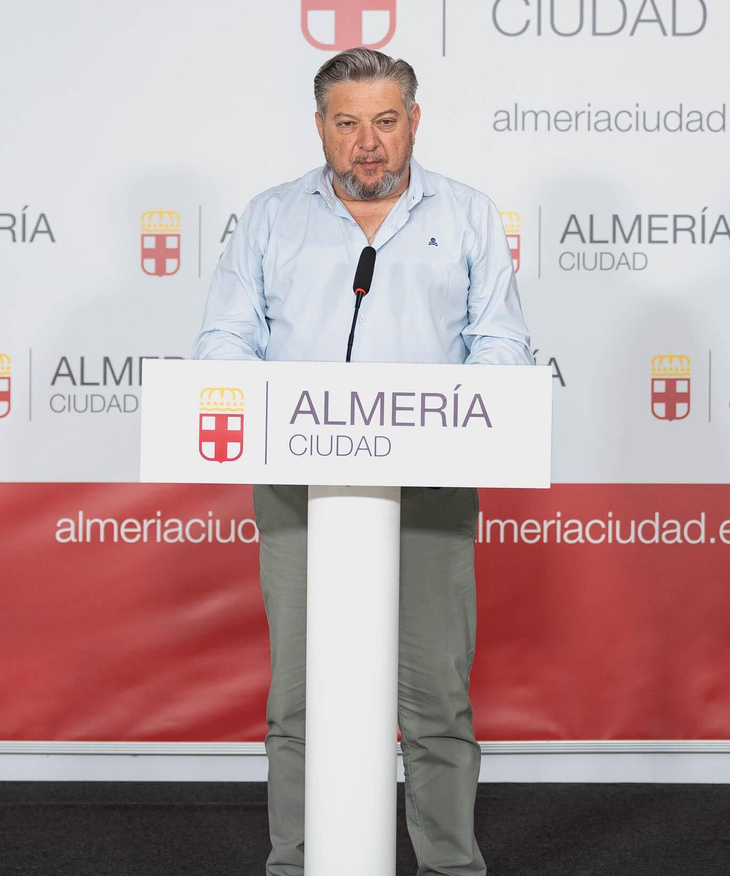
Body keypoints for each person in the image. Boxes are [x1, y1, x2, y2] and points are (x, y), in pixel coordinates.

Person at [192, 47, 531, 876]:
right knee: (300, 704)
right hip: (302, 488)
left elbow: (501, 344)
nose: (367, 143)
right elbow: (225, 340)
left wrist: (441, 419)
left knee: (436, 702)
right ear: (320, 128)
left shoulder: (470, 214)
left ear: (415, 120)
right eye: (347, 124)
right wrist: (276, 411)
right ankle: (296, 864)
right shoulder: (271, 217)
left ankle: (451, 867)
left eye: (385, 121)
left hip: (432, 486)